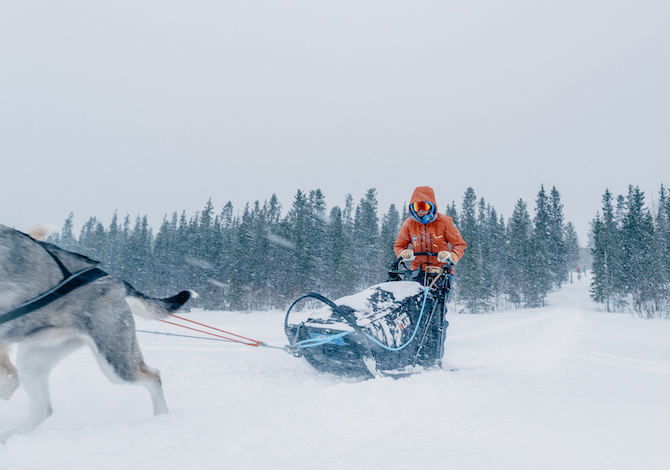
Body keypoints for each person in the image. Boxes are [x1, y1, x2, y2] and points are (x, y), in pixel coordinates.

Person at [394, 186, 466, 275]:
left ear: (431, 206)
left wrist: (452, 255)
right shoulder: (409, 223)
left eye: (423, 206)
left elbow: (460, 245)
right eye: (417, 207)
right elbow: (399, 245)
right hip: (418, 270)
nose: (420, 210)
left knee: (440, 288)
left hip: (442, 269)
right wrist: (402, 253)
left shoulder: (445, 221)